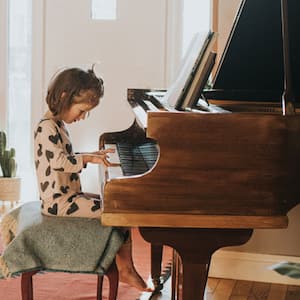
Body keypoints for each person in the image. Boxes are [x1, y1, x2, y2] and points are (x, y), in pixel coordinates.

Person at [33, 66, 153, 292]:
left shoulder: (57, 125)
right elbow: (60, 162)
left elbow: (66, 158)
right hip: (58, 204)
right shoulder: (46, 128)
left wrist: (91, 155)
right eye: (82, 110)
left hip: (67, 197)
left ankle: (122, 265)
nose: (83, 116)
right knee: (117, 211)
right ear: (64, 97)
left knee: (115, 204)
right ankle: (125, 268)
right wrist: (88, 158)